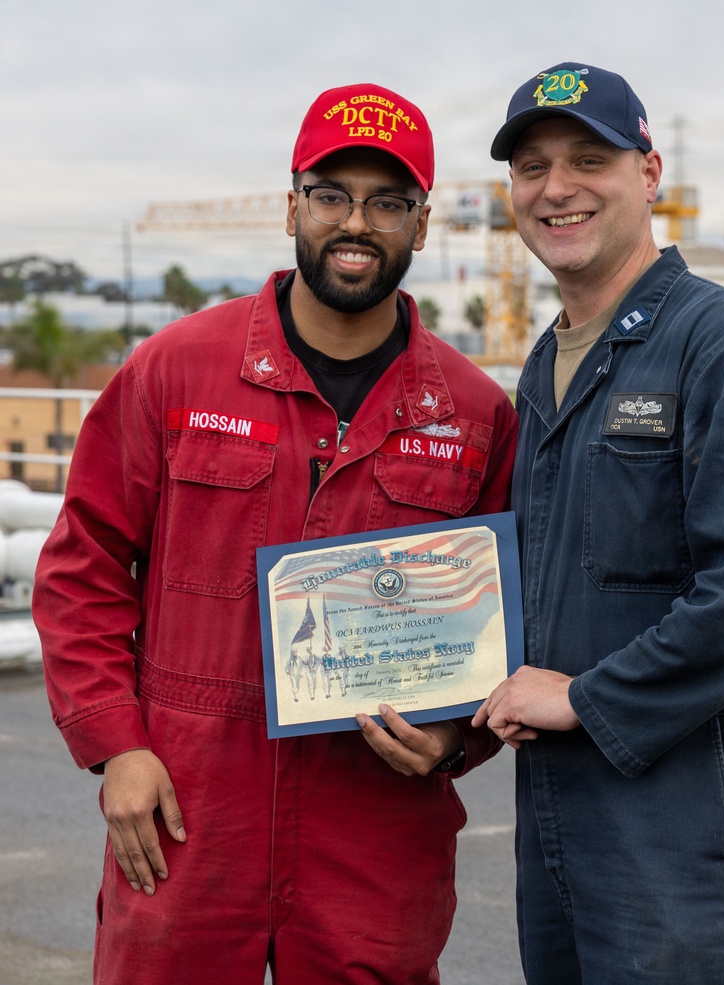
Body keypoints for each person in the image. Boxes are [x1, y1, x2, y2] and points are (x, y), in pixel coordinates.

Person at [32, 82, 518, 985]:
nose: (356, 222)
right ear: (293, 205)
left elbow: (506, 617)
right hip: (187, 807)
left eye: (388, 201)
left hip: (374, 831)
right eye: (332, 193)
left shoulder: (476, 413)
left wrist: (458, 740)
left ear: (422, 224)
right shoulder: (176, 371)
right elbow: (83, 563)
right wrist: (119, 743)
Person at [472, 62, 724, 984]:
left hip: (698, 834)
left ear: (649, 171)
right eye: (532, 167)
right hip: (569, 816)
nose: (556, 188)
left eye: (589, 157)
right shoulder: (548, 362)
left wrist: (586, 699)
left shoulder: (723, 343)